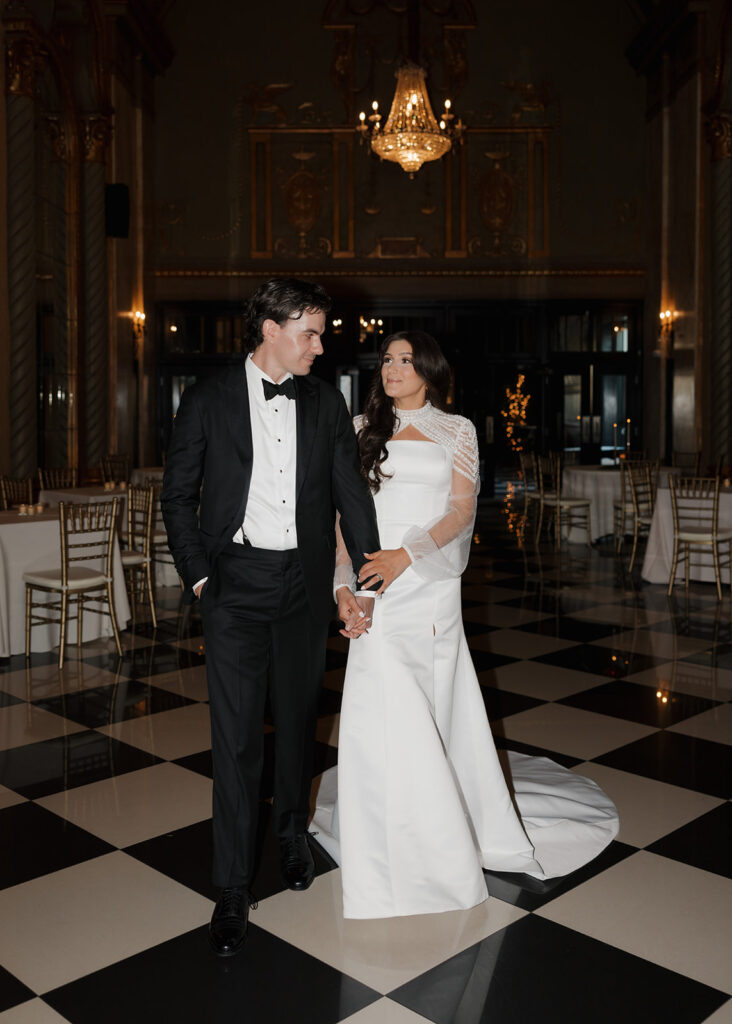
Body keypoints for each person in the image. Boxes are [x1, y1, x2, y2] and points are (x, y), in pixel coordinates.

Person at [313, 330, 619, 919]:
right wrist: (343, 588)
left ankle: (440, 828)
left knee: (426, 700)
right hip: (373, 588)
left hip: (426, 588)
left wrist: (407, 555)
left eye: (406, 360)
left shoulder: (456, 431)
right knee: (379, 702)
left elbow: (461, 510)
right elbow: (339, 519)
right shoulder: (357, 431)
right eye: (387, 360)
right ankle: (383, 824)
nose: (393, 369)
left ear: (429, 370)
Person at [161, 278, 380, 955]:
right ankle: (230, 886)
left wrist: (365, 577)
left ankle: (291, 833)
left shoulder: (325, 403)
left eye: (321, 332)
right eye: (310, 332)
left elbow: (350, 495)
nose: (321, 345)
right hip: (234, 586)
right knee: (234, 740)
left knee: (295, 723)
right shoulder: (207, 399)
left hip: (304, 587)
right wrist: (201, 578)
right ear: (271, 331)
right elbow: (177, 498)